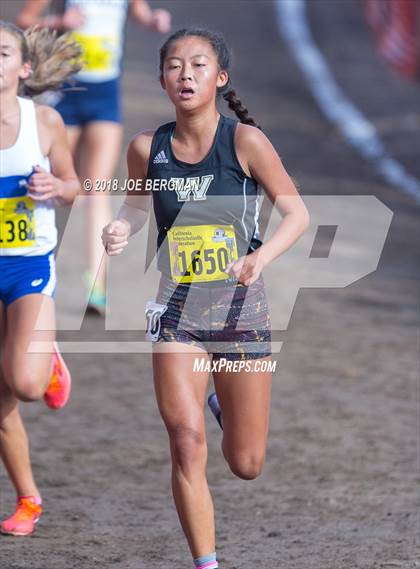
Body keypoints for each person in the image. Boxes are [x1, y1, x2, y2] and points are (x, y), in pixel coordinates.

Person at [102, 28, 310, 568]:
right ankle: (206, 563)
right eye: (174, 65)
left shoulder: (245, 141)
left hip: (242, 313)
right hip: (177, 315)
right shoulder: (146, 148)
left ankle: (224, 405)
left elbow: (298, 214)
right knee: (186, 441)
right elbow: (135, 207)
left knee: (246, 462)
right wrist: (120, 229)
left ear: (219, 79)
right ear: (163, 79)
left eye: (198, 65)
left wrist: (258, 258)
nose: (185, 74)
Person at [16, 0, 171, 315]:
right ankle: (21, 262)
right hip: (66, 91)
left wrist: (155, 20)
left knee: (97, 189)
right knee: (57, 184)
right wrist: (60, 20)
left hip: (105, 96)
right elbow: (24, 21)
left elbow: (141, 15)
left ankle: (96, 285)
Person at [0, 21, 81, 536]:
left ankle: (43, 357)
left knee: (25, 384)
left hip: (28, 263)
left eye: (2, 52)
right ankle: (28, 499)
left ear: (24, 68)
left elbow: (74, 185)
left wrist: (56, 184)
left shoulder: (44, 121)